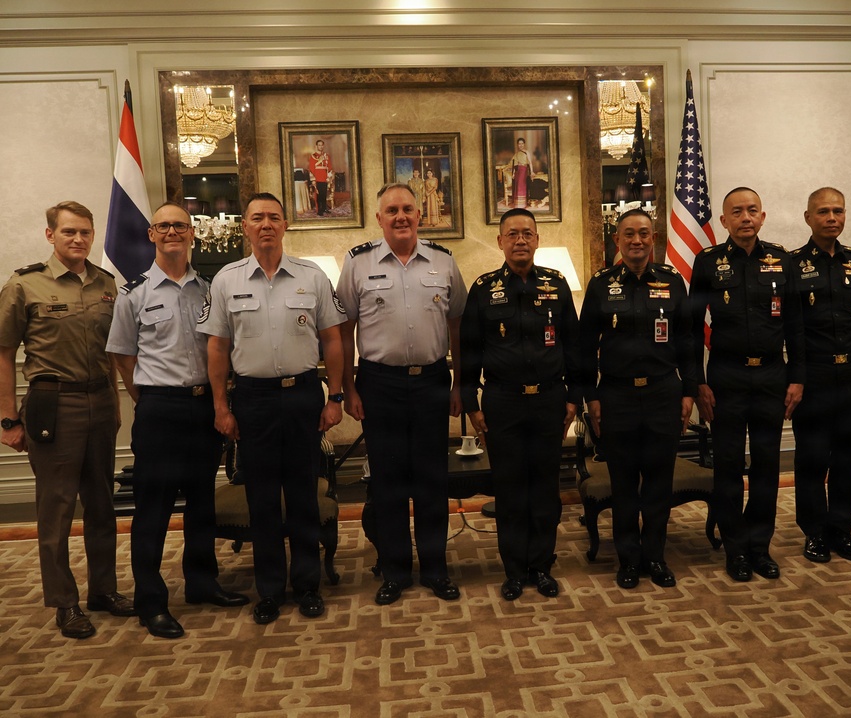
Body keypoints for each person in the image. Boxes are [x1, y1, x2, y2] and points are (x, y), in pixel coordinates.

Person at [198, 192, 346, 625]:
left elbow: (334, 340)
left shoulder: (312, 275)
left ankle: (306, 585)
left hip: (302, 394)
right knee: (262, 498)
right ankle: (269, 591)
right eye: (257, 218)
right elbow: (218, 347)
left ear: (286, 225)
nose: (266, 225)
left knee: (303, 493)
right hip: (253, 399)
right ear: (244, 226)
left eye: (274, 218)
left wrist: (334, 396)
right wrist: (221, 406)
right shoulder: (226, 280)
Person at [106, 202, 250, 639]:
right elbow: (122, 356)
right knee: (153, 511)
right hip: (160, 411)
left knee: (202, 503)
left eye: (180, 226)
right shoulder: (134, 294)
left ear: (192, 235)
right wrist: (148, 399)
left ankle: (202, 583)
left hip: (203, 406)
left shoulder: (209, 289)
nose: (172, 232)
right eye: (163, 225)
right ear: (151, 234)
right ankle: (152, 603)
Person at [0, 200, 135, 639]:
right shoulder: (25, 285)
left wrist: (119, 403)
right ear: (50, 235)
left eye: (84, 233)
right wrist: (6, 418)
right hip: (51, 406)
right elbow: (3, 353)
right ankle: (65, 602)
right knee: (56, 509)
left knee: (101, 505)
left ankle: (103, 591)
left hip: (100, 401)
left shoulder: (107, 285)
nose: (78, 240)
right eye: (69, 232)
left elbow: (114, 351)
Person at [337, 182, 466, 606]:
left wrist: (459, 382)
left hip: (431, 381)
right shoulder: (357, 264)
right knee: (388, 484)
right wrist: (348, 388)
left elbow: (458, 327)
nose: (401, 216)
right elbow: (343, 330)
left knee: (433, 482)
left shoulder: (444, 262)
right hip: (379, 384)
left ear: (420, 214)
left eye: (408, 209)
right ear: (379, 219)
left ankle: (434, 569)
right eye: (391, 210)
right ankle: (393, 571)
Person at [460, 207, 582, 600]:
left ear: (537, 239)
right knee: (510, 488)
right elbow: (469, 349)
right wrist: (470, 401)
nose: (520, 240)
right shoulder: (483, 288)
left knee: (545, 488)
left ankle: (541, 567)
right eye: (512, 234)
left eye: (527, 233)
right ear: (500, 241)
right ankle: (514, 570)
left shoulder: (557, 284)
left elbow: (574, 345)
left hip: (549, 399)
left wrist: (575, 397)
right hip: (502, 402)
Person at [690, 187, 805, 582]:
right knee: (727, 466)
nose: (745, 217)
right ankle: (735, 549)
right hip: (726, 377)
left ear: (763, 215)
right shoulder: (707, 262)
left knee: (767, 464)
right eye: (736, 212)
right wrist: (697, 383)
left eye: (752, 210)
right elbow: (691, 329)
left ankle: (760, 546)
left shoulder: (783, 260)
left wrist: (798, 378)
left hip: (773, 375)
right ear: (723, 220)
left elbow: (796, 326)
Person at [579, 208, 697, 589]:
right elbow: (584, 349)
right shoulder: (601, 284)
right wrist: (591, 397)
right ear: (617, 240)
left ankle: (655, 557)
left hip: (664, 391)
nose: (637, 241)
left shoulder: (672, 281)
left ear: (653, 239)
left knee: (659, 481)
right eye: (629, 234)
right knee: (624, 482)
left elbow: (688, 342)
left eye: (644, 234)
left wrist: (689, 391)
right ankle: (628, 559)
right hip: (617, 395)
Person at [789, 188, 851, 564]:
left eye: (838, 211)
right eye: (823, 211)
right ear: (808, 217)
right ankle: (814, 532)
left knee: (849, 460)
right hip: (816, 377)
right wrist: (796, 377)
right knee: (812, 459)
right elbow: (791, 329)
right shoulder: (792, 264)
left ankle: (841, 529)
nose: (832, 217)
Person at [508, 138, 533, 209]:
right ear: (517, 145)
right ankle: (517, 204)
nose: (521, 145)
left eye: (522, 143)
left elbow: (530, 162)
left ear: (524, 144)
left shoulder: (526, 152)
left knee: (521, 185)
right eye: (519, 144)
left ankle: (522, 204)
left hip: (524, 170)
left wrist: (532, 171)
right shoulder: (517, 154)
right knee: (517, 185)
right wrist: (513, 173)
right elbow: (514, 164)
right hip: (517, 171)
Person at [308, 139, 331, 216]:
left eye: (322, 145)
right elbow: (311, 168)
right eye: (319, 145)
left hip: (324, 178)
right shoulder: (313, 156)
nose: (321, 146)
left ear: (323, 146)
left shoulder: (326, 156)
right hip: (317, 178)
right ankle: (319, 210)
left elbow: (329, 167)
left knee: (324, 194)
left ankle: (324, 208)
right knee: (318, 195)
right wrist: (313, 180)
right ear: (316, 146)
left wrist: (328, 177)